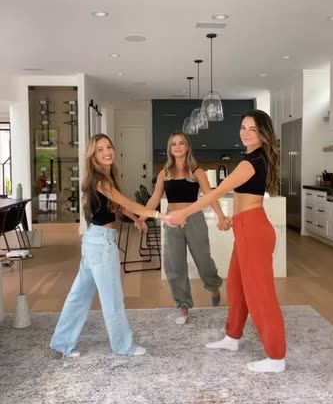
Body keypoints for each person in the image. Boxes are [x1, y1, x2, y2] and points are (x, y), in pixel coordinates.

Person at [168, 111, 286, 373]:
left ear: (264, 133)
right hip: (246, 226)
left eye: (252, 129)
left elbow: (218, 191)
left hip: (254, 229)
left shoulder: (250, 162)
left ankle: (276, 357)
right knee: (236, 286)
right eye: (243, 127)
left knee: (260, 295)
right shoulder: (253, 157)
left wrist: (184, 213)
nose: (245, 133)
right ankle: (232, 337)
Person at [50, 133, 172, 358]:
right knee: (113, 298)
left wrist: (136, 220)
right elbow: (127, 203)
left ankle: (61, 342)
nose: (106, 152)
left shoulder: (104, 178)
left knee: (78, 295)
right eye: (100, 149)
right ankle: (123, 346)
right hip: (101, 244)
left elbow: (118, 206)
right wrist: (159, 215)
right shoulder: (101, 180)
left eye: (109, 147)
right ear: (93, 155)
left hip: (93, 241)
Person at [140, 132, 231, 324]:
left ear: (187, 147)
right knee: (175, 266)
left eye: (182, 143)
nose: (178, 146)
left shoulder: (197, 172)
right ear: (170, 149)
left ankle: (213, 285)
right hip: (172, 221)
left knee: (203, 261)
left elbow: (209, 196)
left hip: (194, 220)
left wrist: (221, 216)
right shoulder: (164, 174)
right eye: (174, 144)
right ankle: (183, 305)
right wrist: (142, 216)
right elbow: (155, 198)